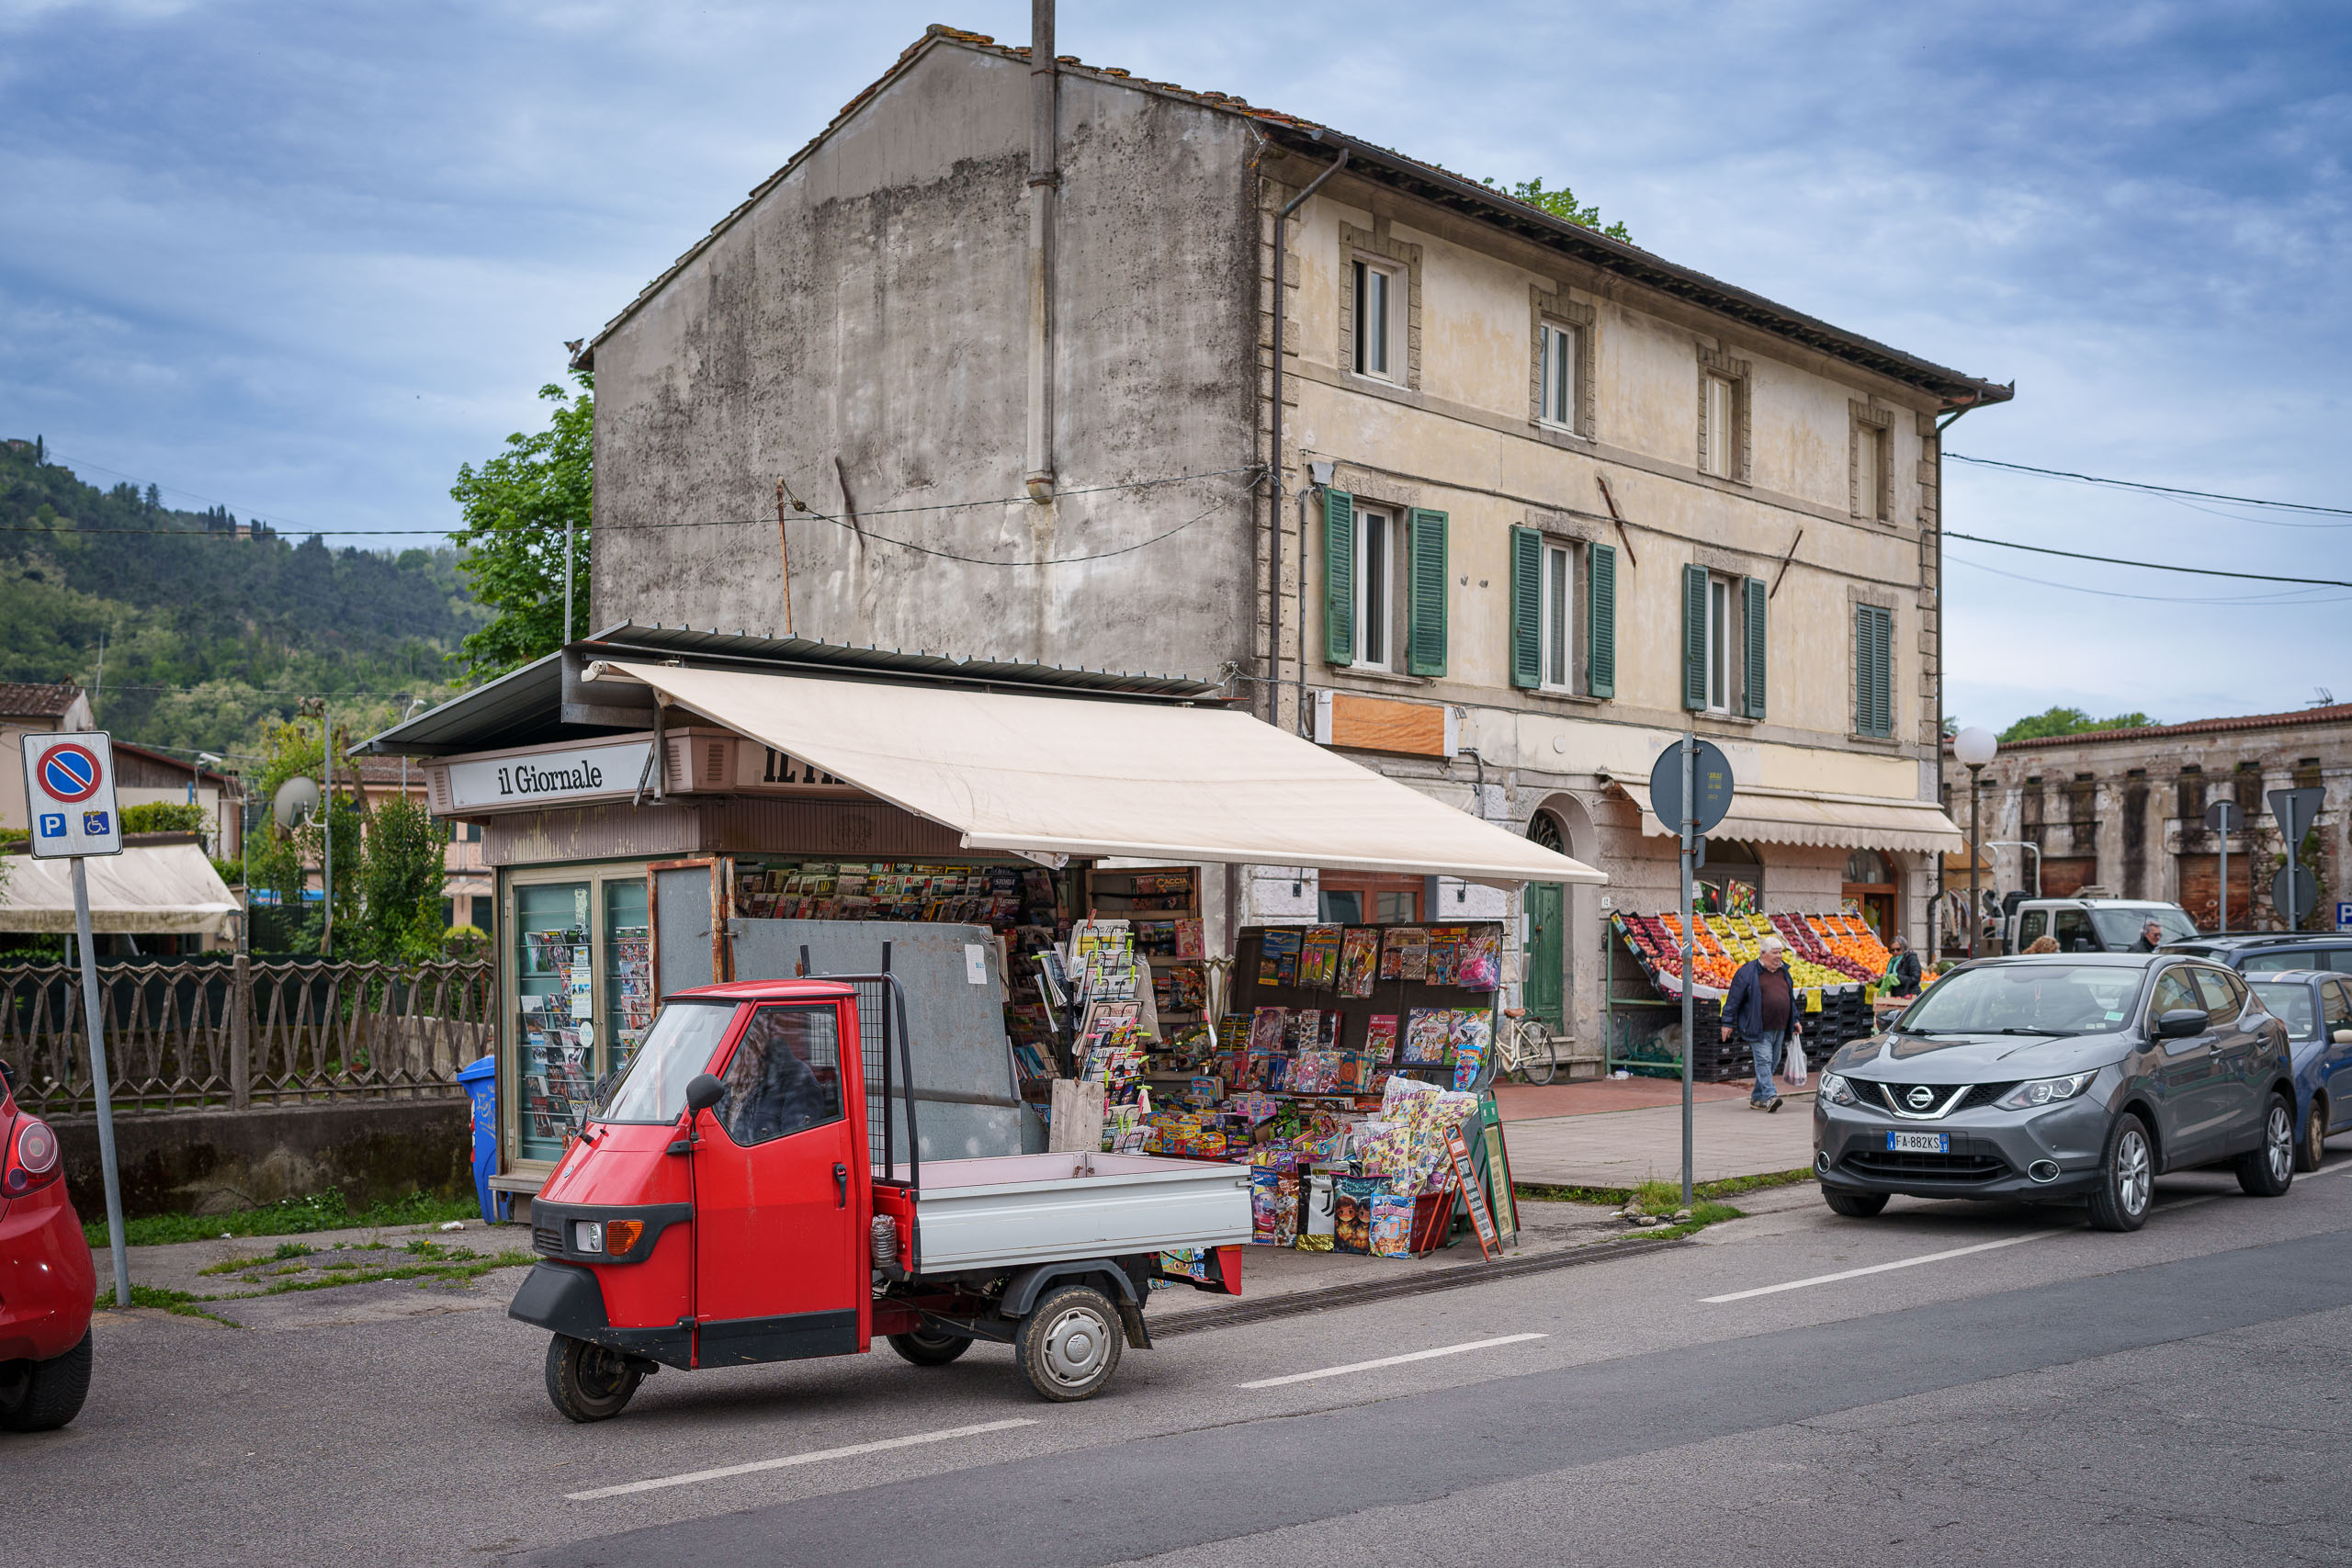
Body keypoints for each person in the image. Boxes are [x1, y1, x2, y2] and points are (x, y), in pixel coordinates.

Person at [1722, 935, 1800, 1111]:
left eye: (1780, 952)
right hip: (1758, 1027)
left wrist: (1795, 1019)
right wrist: (1727, 1022)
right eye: (1775, 953)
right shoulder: (1747, 972)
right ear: (1763, 953)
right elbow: (1733, 999)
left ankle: (1757, 1098)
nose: (1779, 956)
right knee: (1764, 1060)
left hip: (1780, 1026)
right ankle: (1770, 1096)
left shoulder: (1784, 972)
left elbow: (1790, 998)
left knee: (1773, 1061)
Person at [1882, 933, 1923, 998]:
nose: (1895, 952)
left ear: (1904, 948)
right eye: (1893, 950)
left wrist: (1897, 976)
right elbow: (1889, 979)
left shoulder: (1911, 958)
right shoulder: (1892, 961)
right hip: (1897, 997)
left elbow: (1915, 979)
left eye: (1898, 949)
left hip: (1910, 996)